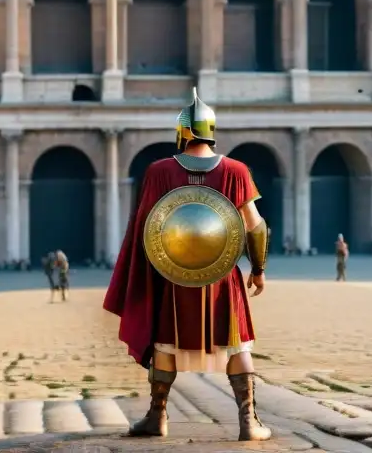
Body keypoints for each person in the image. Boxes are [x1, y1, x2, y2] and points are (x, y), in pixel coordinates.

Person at [103, 88, 272, 442]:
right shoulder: (236, 170)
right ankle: (248, 422)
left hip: (173, 276)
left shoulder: (159, 171)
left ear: (181, 133)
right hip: (222, 275)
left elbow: (147, 226)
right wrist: (257, 269)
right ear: (211, 131)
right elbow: (256, 225)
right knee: (237, 345)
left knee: (165, 344)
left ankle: (157, 416)